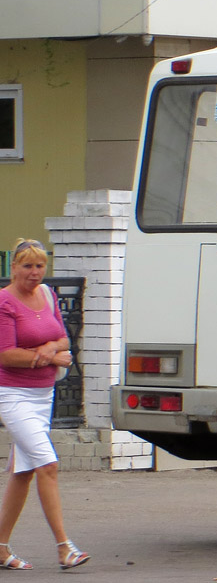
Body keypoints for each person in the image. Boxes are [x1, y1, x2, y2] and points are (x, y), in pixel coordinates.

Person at [0, 239, 89, 569]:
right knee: (47, 465)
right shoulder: (4, 302)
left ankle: (0, 547)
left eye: (39, 266)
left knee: (22, 473)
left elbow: (65, 339)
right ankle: (65, 547)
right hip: (12, 395)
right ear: (14, 268)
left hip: (43, 396)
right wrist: (49, 357)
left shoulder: (49, 295)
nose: (34, 273)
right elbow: (6, 354)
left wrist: (50, 348)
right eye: (27, 266)